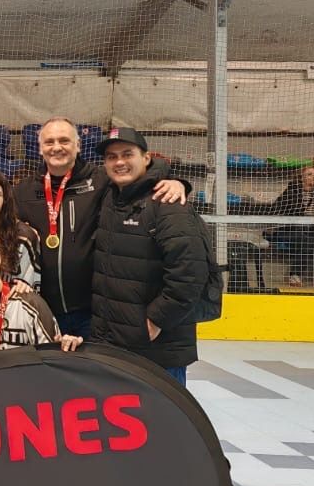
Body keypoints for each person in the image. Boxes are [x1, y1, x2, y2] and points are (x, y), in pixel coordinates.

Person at [11, 115, 187, 339]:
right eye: (49, 142)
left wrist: (175, 181)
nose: (57, 147)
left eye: (64, 141)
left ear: (78, 145)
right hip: (44, 308)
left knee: (92, 372)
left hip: (93, 311)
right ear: (39, 148)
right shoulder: (22, 191)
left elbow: (141, 170)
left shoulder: (102, 180)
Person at [88, 128, 207, 383]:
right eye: (111, 157)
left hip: (157, 349)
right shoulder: (109, 197)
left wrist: (157, 319)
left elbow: (190, 273)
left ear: (146, 158)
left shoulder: (168, 202)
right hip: (116, 342)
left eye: (127, 154)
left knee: (163, 420)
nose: (119, 162)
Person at [267, 164, 314, 286]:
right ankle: (295, 275)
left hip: (311, 230)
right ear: (301, 178)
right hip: (289, 230)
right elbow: (276, 209)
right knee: (306, 240)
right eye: (309, 174)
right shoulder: (291, 192)